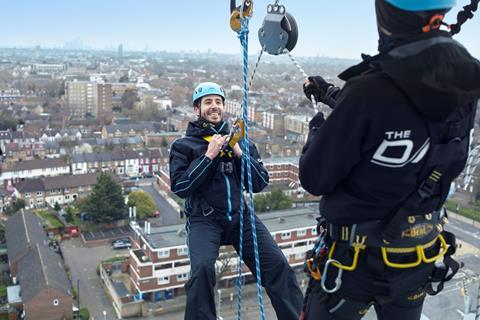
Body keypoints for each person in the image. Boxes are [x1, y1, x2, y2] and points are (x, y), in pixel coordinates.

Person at [299, 0, 480, 319]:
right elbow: (409, 120)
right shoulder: (465, 79)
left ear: (386, 12)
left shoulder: (370, 89)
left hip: (353, 265)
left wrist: (318, 127)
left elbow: (315, 177)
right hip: (416, 260)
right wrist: (332, 96)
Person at [169, 82, 303, 320]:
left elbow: (260, 183)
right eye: (208, 102)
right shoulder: (184, 146)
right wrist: (209, 156)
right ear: (196, 109)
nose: (214, 107)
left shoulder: (241, 143)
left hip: (240, 217)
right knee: (201, 272)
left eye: (218, 102)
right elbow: (180, 187)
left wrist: (239, 152)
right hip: (204, 219)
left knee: (279, 266)